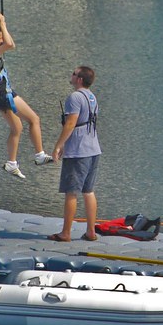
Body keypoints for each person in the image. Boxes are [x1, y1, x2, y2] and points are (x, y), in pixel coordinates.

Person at [0, 12, 52, 179]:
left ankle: (11, 164)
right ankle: (39, 155)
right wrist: (3, 24)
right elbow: (11, 44)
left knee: (17, 128)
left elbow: (7, 43)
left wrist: (2, 27)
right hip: (2, 94)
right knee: (34, 119)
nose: (1, 41)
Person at [48, 66, 101, 241]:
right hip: (93, 149)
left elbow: (70, 123)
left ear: (79, 79)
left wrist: (58, 145)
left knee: (71, 192)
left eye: (73, 73)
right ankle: (91, 231)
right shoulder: (92, 97)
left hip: (79, 151)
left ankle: (66, 233)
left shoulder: (74, 97)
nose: (71, 75)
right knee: (89, 191)